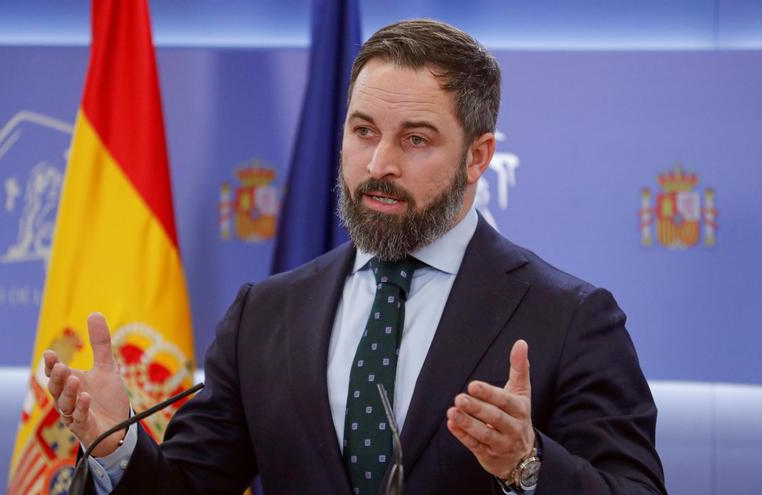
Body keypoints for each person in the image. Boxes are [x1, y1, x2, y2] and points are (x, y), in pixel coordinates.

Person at [44, 19, 666, 495]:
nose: (378, 165)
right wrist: (118, 445)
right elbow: (190, 486)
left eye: (414, 140)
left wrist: (527, 465)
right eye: (363, 131)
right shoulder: (266, 313)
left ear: (478, 157)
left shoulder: (570, 318)